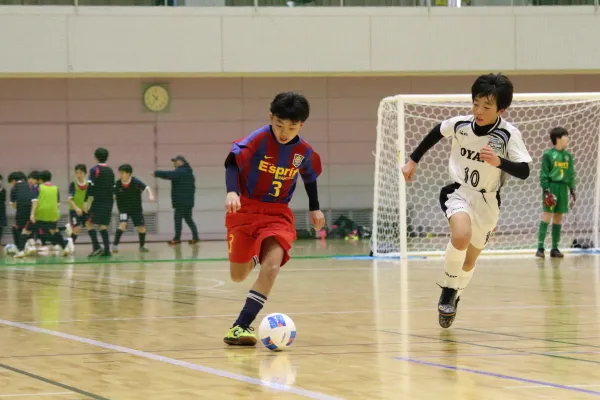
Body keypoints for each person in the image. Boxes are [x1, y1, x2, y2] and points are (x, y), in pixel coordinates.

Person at [399, 73, 532, 328]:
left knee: (470, 261)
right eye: (475, 103)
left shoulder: (508, 134)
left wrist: (499, 162)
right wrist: (413, 160)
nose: (478, 111)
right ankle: (448, 290)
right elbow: (437, 132)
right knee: (461, 235)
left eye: (486, 106)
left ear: (501, 110)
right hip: (459, 191)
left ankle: (455, 295)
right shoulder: (461, 124)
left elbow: (524, 171)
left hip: (488, 201)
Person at [222, 92, 325, 346]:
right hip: (245, 209)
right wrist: (232, 191)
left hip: (277, 213)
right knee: (238, 275)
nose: (284, 132)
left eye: (291, 127)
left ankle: (240, 326)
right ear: (271, 117)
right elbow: (232, 162)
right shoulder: (257, 140)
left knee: (272, 267)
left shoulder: (303, 151)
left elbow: (310, 177)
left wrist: (315, 208)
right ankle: (256, 254)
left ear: (301, 125)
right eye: (279, 125)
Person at [536, 127, 576, 258]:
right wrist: (546, 190)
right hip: (551, 187)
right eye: (566, 136)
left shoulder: (568, 156)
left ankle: (554, 248)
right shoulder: (548, 154)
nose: (568, 138)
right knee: (547, 215)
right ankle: (540, 248)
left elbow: (570, 174)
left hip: (563, 188)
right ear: (558, 138)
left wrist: (572, 189)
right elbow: (544, 174)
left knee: (558, 217)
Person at [15, 170, 73, 258]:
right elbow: (58, 204)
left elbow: (35, 201)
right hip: (52, 215)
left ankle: (21, 251)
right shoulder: (55, 188)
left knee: (25, 231)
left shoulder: (38, 187)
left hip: (40, 214)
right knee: (54, 231)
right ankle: (65, 248)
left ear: (40, 179)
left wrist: (32, 214)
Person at [153, 155, 199, 245]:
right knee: (188, 219)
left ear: (180, 162)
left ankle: (177, 238)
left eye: (175, 161)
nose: (174, 163)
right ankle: (195, 237)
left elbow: (169, 175)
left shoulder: (180, 171)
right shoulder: (189, 172)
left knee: (178, 219)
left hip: (181, 201)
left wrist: (156, 173)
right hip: (188, 201)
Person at [113, 164, 155, 253]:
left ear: (128, 173)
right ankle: (115, 245)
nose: (121, 175)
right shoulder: (117, 183)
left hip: (136, 208)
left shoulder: (135, 181)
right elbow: (113, 194)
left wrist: (150, 195)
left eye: (122, 173)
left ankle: (142, 246)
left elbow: (147, 188)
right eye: (120, 173)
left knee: (141, 227)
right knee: (123, 224)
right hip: (123, 209)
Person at [84, 147, 115, 257]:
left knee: (88, 223)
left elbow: (90, 187)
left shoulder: (94, 170)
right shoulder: (110, 171)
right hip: (109, 201)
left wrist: (86, 202)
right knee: (103, 225)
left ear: (95, 157)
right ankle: (107, 250)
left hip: (98, 201)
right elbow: (113, 188)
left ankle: (96, 247)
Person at [66, 164, 89, 243]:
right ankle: (70, 244)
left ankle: (96, 246)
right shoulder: (73, 184)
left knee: (90, 226)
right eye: (77, 173)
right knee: (77, 228)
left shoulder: (89, 184)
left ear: (85, 173)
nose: (78, 175)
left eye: (81, 173)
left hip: (85, 210)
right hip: (74, 210)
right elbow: (70, 199)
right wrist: (76, 208)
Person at [8, 171, 29, 247]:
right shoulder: (29, 185)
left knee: (18, 231)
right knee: (29, 232)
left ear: (13, 180)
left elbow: (14, 205)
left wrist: (12, 204)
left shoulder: (14, 188)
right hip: (32, 214)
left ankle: (20, 248)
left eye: (11, 182)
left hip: (20, 215)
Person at [0, 175, 6, 244]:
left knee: (0, 228)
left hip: (1, 211)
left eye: (0, 180)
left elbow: (3, 200)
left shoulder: (3, 190)